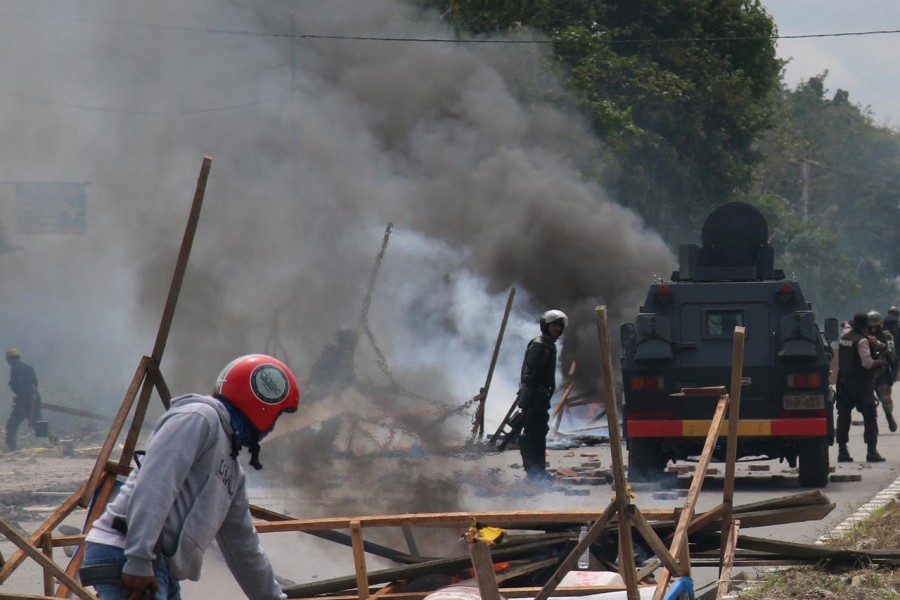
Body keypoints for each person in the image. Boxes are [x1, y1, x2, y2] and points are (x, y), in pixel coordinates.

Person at [81, 354, 300, 599]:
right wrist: (139, 560)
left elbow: (243, 547)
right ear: (262, 406)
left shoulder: (232, 470)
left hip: (156, 564)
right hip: (127, 552)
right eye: (277, 415)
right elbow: (156, 485)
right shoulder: (199, 417)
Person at [516, 309, 567, 481]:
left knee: (539, 433)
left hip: (540, 399)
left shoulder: (547, 344)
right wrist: (531, 399)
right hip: (533, 399)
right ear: (545, 326)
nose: (557, 329)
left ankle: (539, 472)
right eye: (554, 326)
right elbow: (529, 375)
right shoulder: (539, 345)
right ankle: (533, 474)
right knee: (531, 435)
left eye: (560, 327)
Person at [836, 314, 886, 463]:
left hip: (845, 382)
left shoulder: (844, 337)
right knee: (870, 416)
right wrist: (880, 362)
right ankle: (871, 451)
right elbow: (867, 363)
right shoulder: (862, 341)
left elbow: (845, 327)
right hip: (862, 383)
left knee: (844, 415)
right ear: (866, 326)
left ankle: (842, 451)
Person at [5, 348, 41, 452]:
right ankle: (51, 444)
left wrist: (21, 404)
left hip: (25, 402)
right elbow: (35, 383)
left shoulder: (15, 369)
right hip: (35, 399)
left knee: (12, 424)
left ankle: (12, 449)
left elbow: (21, 388)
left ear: (10, 359)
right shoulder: (29, 367)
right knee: (39, 425)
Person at [868, 310, 897, 432]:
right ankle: (871, 424)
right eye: (870, 326)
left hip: (882, 370)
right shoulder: (863, 336)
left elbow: (892, 354)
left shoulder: (886, 336)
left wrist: (893, 372)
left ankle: (889, 416)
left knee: (885, 396)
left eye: (875, 326)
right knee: (867, 401)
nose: (873, 328)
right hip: (867, 371)